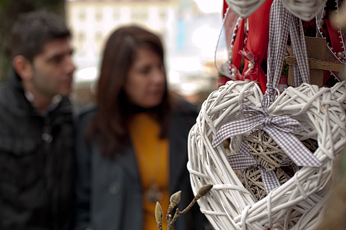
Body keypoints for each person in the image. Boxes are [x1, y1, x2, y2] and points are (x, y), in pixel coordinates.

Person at [75, 25, 209, 230]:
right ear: (118, 76)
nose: (158, 78)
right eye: (145, 70)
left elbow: (206, 202)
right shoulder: (91, 127)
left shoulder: (188, 120)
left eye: (160, 67)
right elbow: (81, 206)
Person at [0, 11, 76, 229]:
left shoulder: (72, 115)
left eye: (71, 54)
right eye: (56, 59)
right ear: (23, 67)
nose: (71, 66)